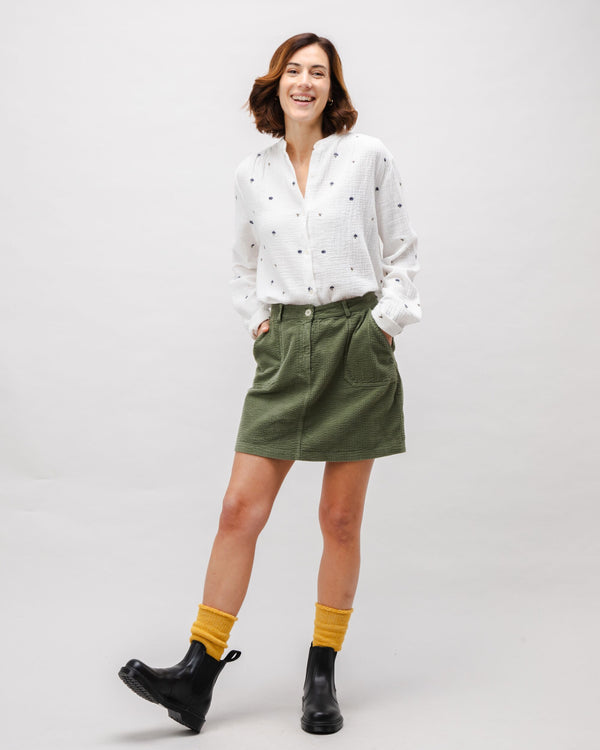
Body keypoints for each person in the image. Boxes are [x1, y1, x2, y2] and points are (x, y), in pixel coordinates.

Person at [118, 31, 421, 735]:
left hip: (354, 341)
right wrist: (261, 324)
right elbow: (242, 265)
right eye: (295, 70)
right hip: (286, 345)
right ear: (276, 83)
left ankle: (321, 673)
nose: (305, 82)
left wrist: (382, 326)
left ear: (332, 88)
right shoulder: (251, 174)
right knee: (238, 510)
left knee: (339, 520)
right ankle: (197, 671)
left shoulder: (367, 156)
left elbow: (404, 252)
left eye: (318, 72)